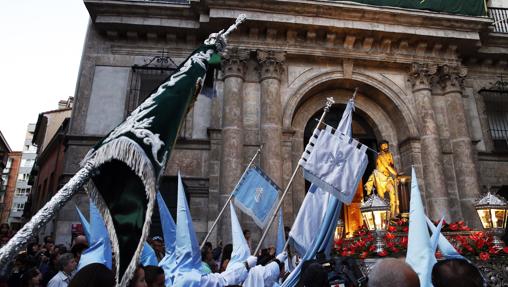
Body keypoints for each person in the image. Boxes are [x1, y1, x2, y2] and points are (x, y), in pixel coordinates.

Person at [364, 140, 400, 217]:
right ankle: (384, 217)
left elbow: (392, 166)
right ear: (380, 148)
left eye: (386, 145)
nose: (385, 147)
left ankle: (393, 215)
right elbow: (387, 166)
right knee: (381, 198)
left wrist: (395, 177)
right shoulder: (380, 156)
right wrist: (396, 174)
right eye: (383, 146)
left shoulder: (390, 155)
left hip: (387, 178)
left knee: (392, 193)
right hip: (379, 177)